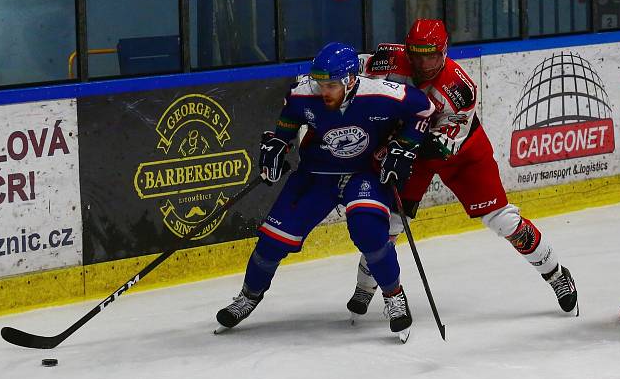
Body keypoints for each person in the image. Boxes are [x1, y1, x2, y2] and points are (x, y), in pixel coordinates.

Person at [346, 19, 579, 319]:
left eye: (431, 55)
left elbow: (444, 145)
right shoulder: (389, 59)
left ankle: (556, 273)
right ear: (408, 49)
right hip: (407, 147)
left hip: (460, 151)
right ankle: (365, 287)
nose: (423, 63)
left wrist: (402, 148)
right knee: (387, 222)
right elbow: (351, 71)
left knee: (503, 220)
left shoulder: (459, 88)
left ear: (444, 52)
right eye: (417, 54)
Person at [215, 42, 434, 340]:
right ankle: (249, 297)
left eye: (331, 85)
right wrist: (280, 143)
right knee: (271, 242)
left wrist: (402, 146)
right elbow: (290, 118)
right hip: (316, 174)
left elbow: (425, 110)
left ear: (350, 80)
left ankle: (394, 296)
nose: (323, 92)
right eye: (320, 84)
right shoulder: (303, 93)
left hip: (363, 173)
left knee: (369, 230)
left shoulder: (382, 95)